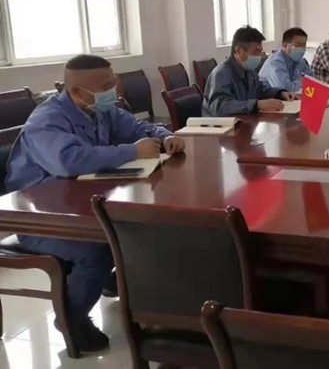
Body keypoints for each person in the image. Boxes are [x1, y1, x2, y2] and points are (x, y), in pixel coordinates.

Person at [4, 54, 185, 352]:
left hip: (79, 204)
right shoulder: (46, 121)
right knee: (97, 248)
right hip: (39, 219)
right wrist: (131, 151)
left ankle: (117, 284)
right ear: (76, 91)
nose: (113, 90)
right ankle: (71, 318)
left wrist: (164, 137)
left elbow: (138, 129)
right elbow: (67, 161)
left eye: (113, 82)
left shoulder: (99, 110)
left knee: (136, 230)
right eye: (105, 86)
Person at [202, 26, 297, 116]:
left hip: (243, 120)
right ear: (238, 50)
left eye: (260, 51)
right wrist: (256, 105)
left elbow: (260, 90)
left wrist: (280, 93)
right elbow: (220, 107)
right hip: (220, 126)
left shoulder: (249, 71)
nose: (260, 55)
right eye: (256, 51)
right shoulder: (221, 73)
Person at [259, 27, 310, 92]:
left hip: (294, 96)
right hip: (269, 97)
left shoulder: (300, 61)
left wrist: (302, 82)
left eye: (304, 46)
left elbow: (312, 80)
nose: (302, 49)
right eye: (298, 45)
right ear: (285, 45)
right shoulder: (275, 62)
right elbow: (284, 90)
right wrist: (301, 81)